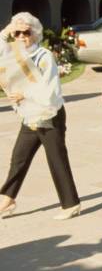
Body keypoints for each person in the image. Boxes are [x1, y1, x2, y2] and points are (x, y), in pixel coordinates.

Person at [0, 12, 80, 219]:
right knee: (19, 157)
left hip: (49, 113)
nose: (20, 37)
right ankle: (8, 199)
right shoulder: (14, 54)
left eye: (25, 32)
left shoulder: (43, 56)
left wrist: (24, 94)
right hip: (29, 115)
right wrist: (5, 32)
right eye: (16, 33)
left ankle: (71, 204)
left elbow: (51, 89)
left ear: (34, 34)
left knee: (56, 158)